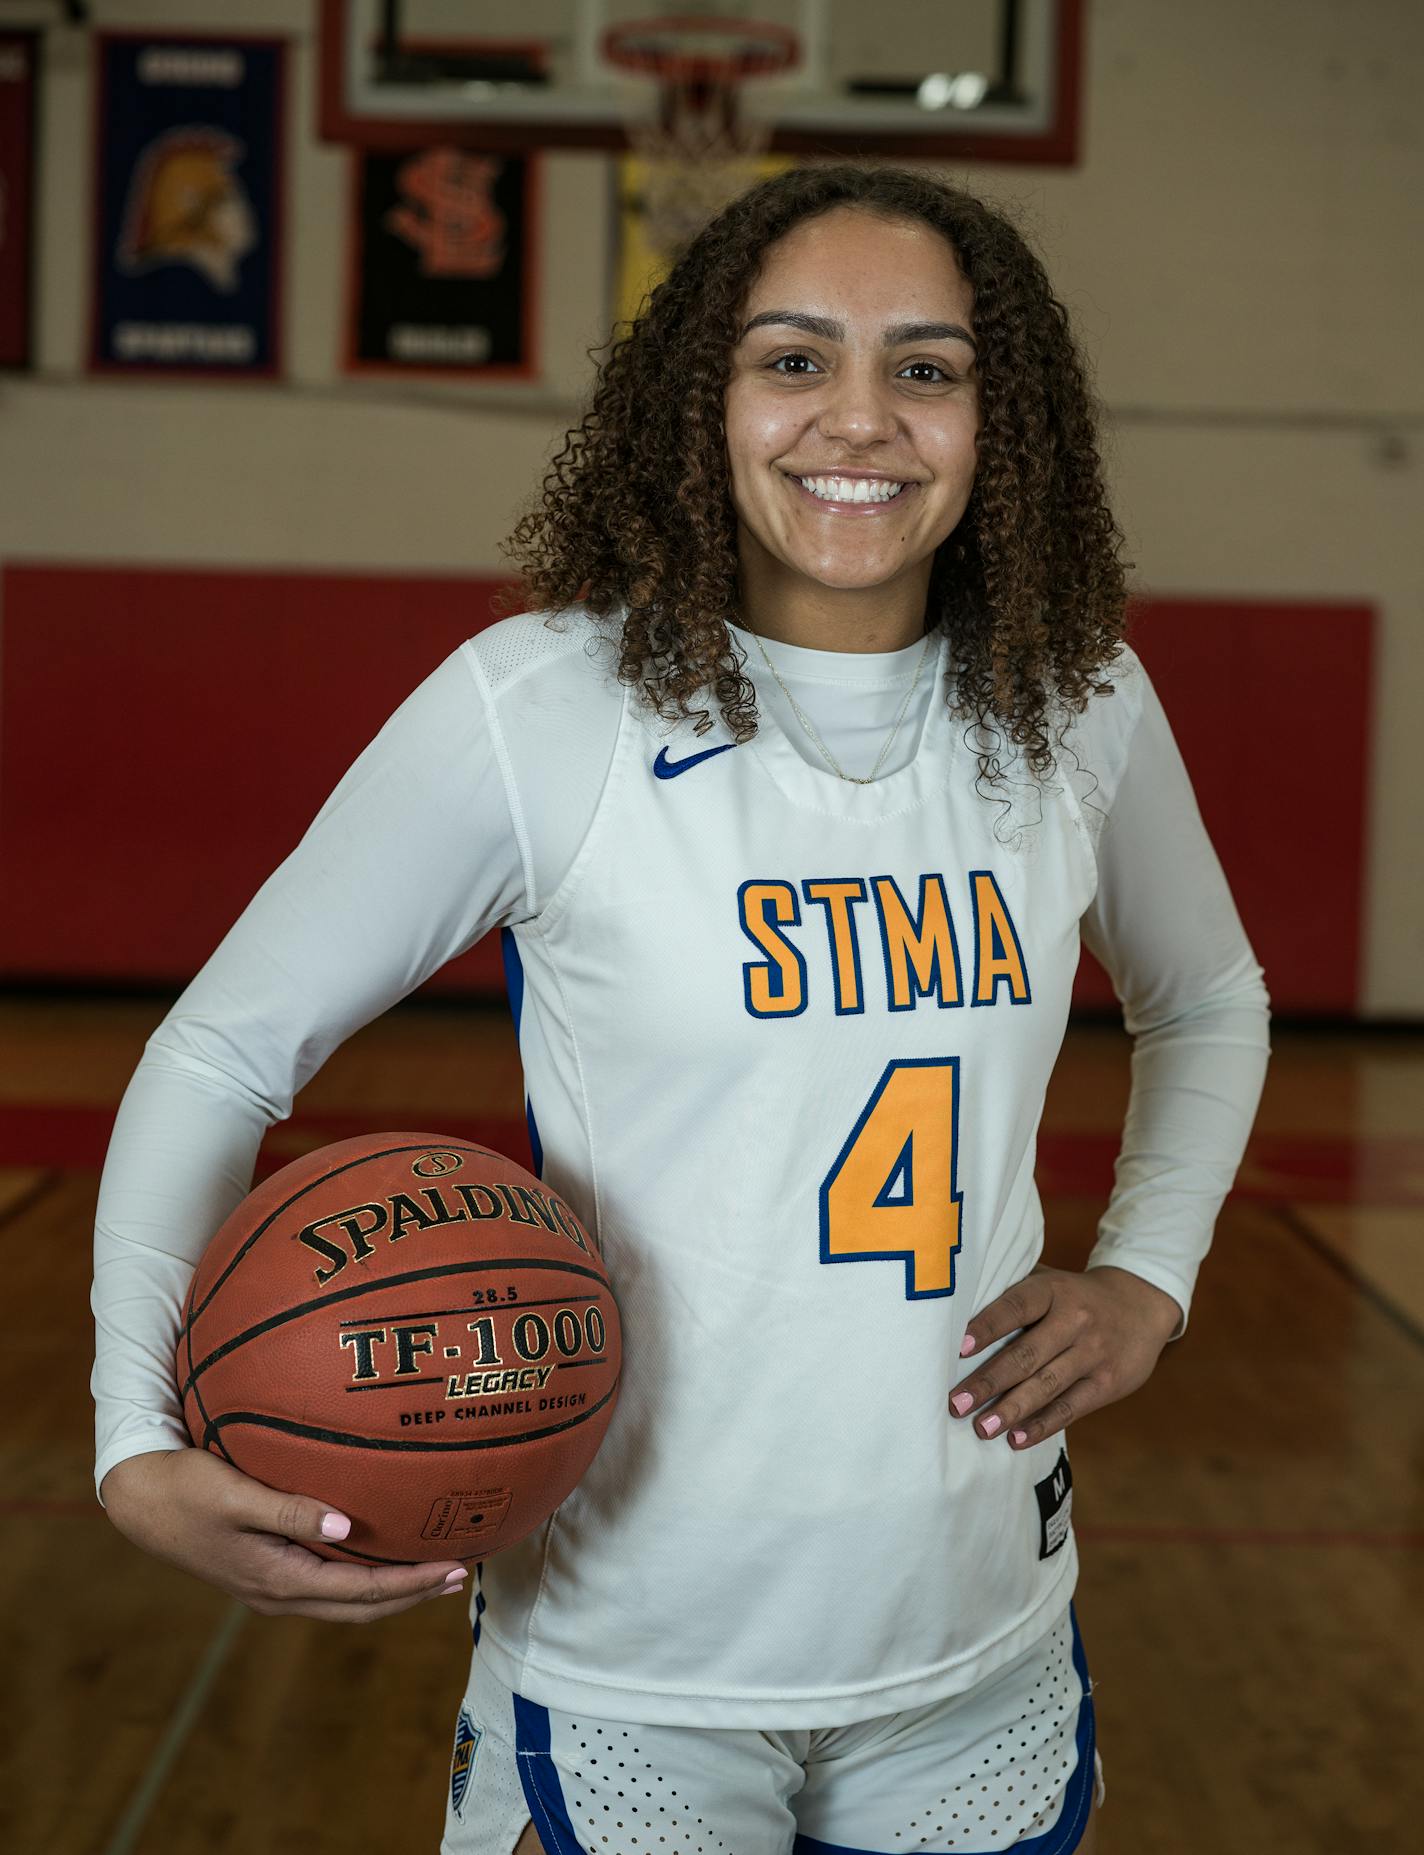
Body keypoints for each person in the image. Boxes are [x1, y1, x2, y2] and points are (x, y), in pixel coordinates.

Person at [92, 164, 1271, 1855]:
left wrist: (1152, 1278)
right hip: (630, 1659)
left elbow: (1211, 995)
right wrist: (136, 1438)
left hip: (978, 1642)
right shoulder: (540, 708)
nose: (858, 418)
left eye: (927, 368)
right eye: (793, 359)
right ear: (699, 402)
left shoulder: (1073, 699)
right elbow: (220, 1047)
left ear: (1000, 420)